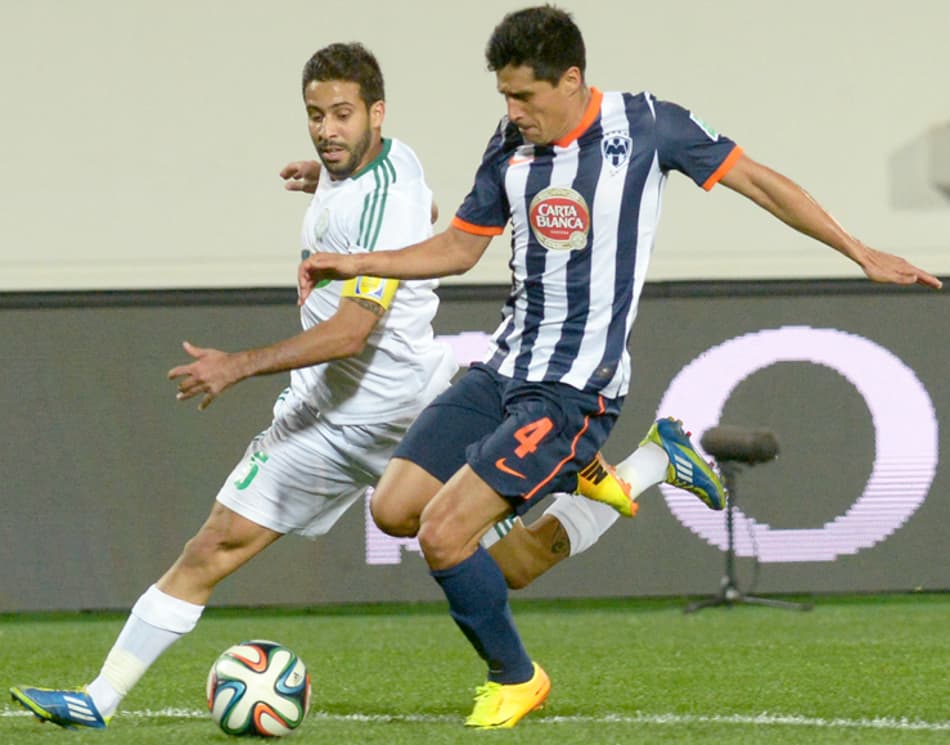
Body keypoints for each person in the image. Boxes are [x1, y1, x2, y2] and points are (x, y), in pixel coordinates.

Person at [7, 40, 720, 732]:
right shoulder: (388, 168)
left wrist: (237, 364)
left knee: (501, 569)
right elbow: (432, 205)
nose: (326, 129)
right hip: (326, 417)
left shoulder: (389, 187)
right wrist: (330, 185)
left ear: (377, 112)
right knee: (214, 546)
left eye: (342, 113)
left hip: (403, 406)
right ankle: (98, 698)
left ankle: (629, 468)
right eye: (316, 114)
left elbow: (352, 331)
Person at [297, 6, 942, 731]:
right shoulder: (510, 142)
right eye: (504, 96)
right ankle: (644, 465)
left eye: (525, 97)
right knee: (404, 515)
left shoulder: (647, 126)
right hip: (505, 367)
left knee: (447, 537)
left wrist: (858, 251)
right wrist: (361, 262)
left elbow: (759, 182)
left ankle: (517, 676)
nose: (513, 111)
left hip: (577, 387)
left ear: (571, 79)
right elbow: (458, 246)